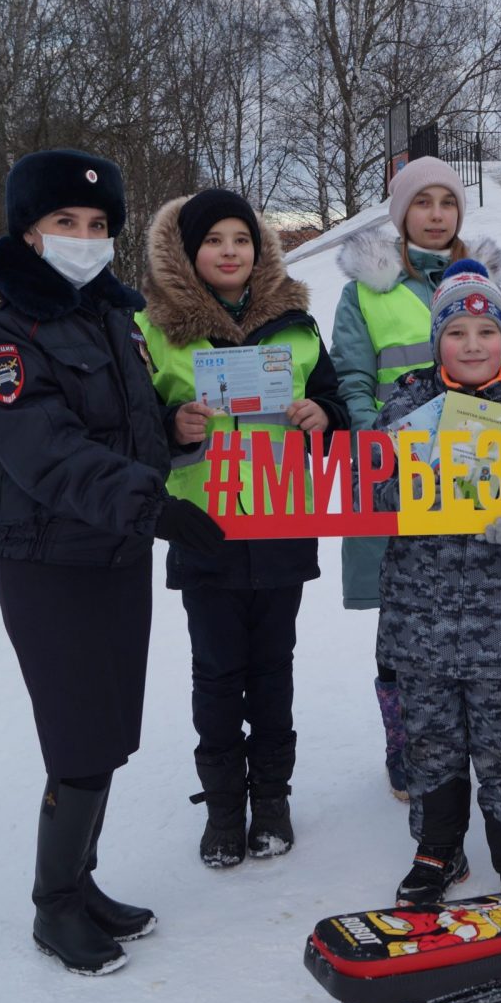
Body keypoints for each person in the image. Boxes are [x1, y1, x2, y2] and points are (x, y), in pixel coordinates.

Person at [0, 150, 227, 976]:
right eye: (66, 222)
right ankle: (53, 903)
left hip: (114, 549)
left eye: (99, 225)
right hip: (47, 556)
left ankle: (82, 879)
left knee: (106, 726)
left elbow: (124, 427)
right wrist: (158, 506)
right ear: (28, 230)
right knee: (75, 731)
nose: (85, 237)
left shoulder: (110, 316)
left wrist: (172, 433)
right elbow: (47, 452)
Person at [136, 189, 348, 868]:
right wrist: (173, 426)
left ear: (260, 250)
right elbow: (135, 428)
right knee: (218, 674)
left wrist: (323, 416)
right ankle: (225, 808)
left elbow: (336, 401)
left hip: (283, 524)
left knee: (274, 670)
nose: (229, 251)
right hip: (206, 530)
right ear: (187, 253)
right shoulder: (157, 330)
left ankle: (273, 801)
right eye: (213, 240)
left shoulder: (297, 325)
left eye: (241, 239)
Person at [374, 260, 501, 910]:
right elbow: (371, 491)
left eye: (484, 332)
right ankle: (437, 850)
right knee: (430, 745)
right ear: (437, 338)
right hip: (418, 618)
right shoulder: (405, 403)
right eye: (455, 330)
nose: (470, 344)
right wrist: (409, 488)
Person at [331, 157, 501, 802]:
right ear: (400, 213)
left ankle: (467, 744)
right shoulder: (367, 289)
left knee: (472, 611)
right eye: (422, 202)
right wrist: (384, 446)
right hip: (396, 476)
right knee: (403, 614)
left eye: (448, 202)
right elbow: (351, 379)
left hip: (475, 472)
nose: (436, 214)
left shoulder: (485, 283)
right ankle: (404, 743)